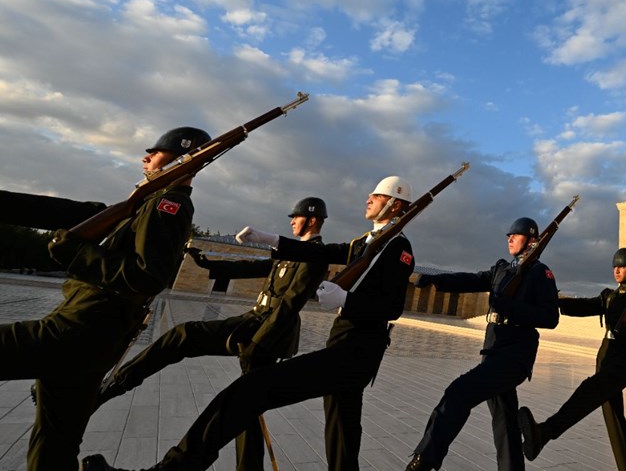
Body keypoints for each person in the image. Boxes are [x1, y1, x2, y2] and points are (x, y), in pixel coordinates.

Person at [82, 176, 416, 471]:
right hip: (342, 345)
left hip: (357, 352)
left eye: (376, 195)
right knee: (342, 434)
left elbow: (393, 307)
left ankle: (175, 466)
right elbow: (325, 252)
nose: (368, 199)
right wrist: (271, 239)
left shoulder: (398, 247)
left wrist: (347, 301)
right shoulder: (366, 241)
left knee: (251, 390)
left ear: (396, 203)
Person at [0, 126, 210, 471]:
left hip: (77, 331)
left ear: (180, 158)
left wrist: (74, 252)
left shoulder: (168, 205)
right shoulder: (142, 203)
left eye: (154, 152)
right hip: (93, 340)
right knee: (55, 443)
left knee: (55, 439)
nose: (145, 157)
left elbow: (147, 276)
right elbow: (56, 211)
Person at [96, 197, 330, 471]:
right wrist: (208, 264)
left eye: (296, 217)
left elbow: (291, 302)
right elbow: (252, 267)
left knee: (188, 335)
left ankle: (116, 384)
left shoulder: (316, 254)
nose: (291, 221)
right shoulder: (293, 249)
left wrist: (259, 341)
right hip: (257, 322)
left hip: (268, 331)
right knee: (246, 409)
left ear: (311, 220)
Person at [404, 217, 560, 471]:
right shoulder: (502, 270)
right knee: (505, 422)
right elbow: (470, 280)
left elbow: (550, 318)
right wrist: (436, 280)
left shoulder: (541, 273)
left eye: (516, 235)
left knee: (458, 393)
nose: (509, 238)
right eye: (508, 235)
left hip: (514, 356)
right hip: (493, 353)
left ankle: (425, 459)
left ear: (532, 240)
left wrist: (511, 307)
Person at [517, 248, 626, 470]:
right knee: (615, 422)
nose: (617, 271)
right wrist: (555, 301)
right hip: (606, 357)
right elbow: (585, 306)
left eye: (621, 267)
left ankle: (545, 432)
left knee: (589, 390)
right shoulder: (609, 296)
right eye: (615, 267)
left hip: (625, 362)